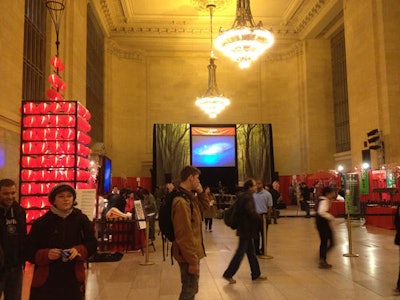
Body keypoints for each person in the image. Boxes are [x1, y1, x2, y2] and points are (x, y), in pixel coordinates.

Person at [26, 183, 98, 300]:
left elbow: (92, 243)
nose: (66, 199)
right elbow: (28, 250)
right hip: (47, 279)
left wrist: (79, 250)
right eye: (61, 196)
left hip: (73, 277)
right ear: (54, 200)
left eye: (69, 196)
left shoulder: (81, 220)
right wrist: (46, 254)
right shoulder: (42, 222)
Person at [171, 166, 209, 300]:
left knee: (192, 288)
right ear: (190, 178)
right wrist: (193, 261)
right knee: (188, 290)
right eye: (197, 178)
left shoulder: (189, 198)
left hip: (191, 252)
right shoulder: (181, 202)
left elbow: (205, 207)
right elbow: (183, 234)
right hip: (187, 255)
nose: (199, 181)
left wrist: (201, 191)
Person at [223, 179, 267, 284]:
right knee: (240, 253)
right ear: (250, 187)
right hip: (246, 229)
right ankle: (228, 274)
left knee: (251, 253)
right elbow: (250, 211)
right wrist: (260, 218)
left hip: (245, 229)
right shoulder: (247, 197)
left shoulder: (244, 196)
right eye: (254, 185)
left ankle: (256, 274)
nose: (256, 187)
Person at [0, 178, 26, 300]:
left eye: (13, 193)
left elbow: (22, 237)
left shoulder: (19, 211)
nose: (10, 196)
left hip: (15, 267)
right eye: (6, 193)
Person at [315, 186, 336, 269]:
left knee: (324, 241)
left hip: (320, 223)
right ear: (327, 193)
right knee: (330, 242)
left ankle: (322, 257)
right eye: (332, 192)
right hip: (323, 223)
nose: (334, 194)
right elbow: (321, 212)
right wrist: (330, 217)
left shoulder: (323, 200)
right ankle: (322, 258)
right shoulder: (324, 201)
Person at [253, 180, 272, 255]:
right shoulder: (253, 194)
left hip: (263, 216)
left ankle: (264, 250)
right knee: (255, 234)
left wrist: (269, 216)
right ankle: (256, 250)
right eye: (256, 184)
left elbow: (270, 206)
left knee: (264, 234)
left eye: (259, 183)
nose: (258, 185)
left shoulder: (267, 194)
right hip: (255, 216)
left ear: (262, 184)